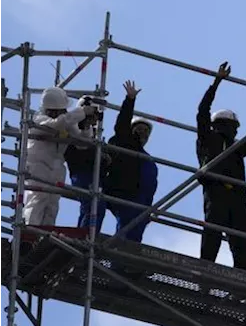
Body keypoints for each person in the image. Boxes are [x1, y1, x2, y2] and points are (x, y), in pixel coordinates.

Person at [196, 62, 246, 270]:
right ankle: (205, 275)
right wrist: (217, 82)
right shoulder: (208, 139)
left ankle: (243, 282)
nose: (235, 131)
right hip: (217, 191)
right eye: (233, 127)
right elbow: (202, 111)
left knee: (244, 243)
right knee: (212, 236)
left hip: (236, 197)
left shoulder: (235, 149)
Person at [87, 81, 157, 242]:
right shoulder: (122, 140)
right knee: (99, 209)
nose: (143, 133)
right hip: (115, 189)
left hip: (132, 196)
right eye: (139, 129)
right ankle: (89, 240)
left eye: (146, 131)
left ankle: (124, 258)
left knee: (135, 223)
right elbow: (123, 122)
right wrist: (130, 100)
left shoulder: (148, 160)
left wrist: (148, 209)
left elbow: (150, 187)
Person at [24, 87, 96, 227]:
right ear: (51, 110)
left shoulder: (65, 122)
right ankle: (29, 233)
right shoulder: (39, 119)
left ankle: (44, 236)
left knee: (52, 205)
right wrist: (81, 112)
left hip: (56, 169)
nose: (64, 112)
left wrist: (86, 127)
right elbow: (56, 125)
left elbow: (82, 143)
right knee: (37, 200)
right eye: (61, 110)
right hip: (38, 167)